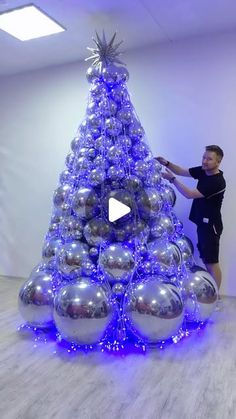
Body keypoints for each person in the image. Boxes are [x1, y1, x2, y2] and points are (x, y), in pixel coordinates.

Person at [156, 145, 226, 292]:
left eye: (209, 159)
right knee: (207, 260)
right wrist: (166, 163)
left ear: (218, 162)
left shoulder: (217, 182)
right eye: (204, 157)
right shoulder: (203, 171)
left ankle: (216, 296)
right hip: (203, 224)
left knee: (211, 262)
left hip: (210, 227)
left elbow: (189, 194)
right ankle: (212, 293)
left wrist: (172, 180)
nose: (205, 161)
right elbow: (181, 171)